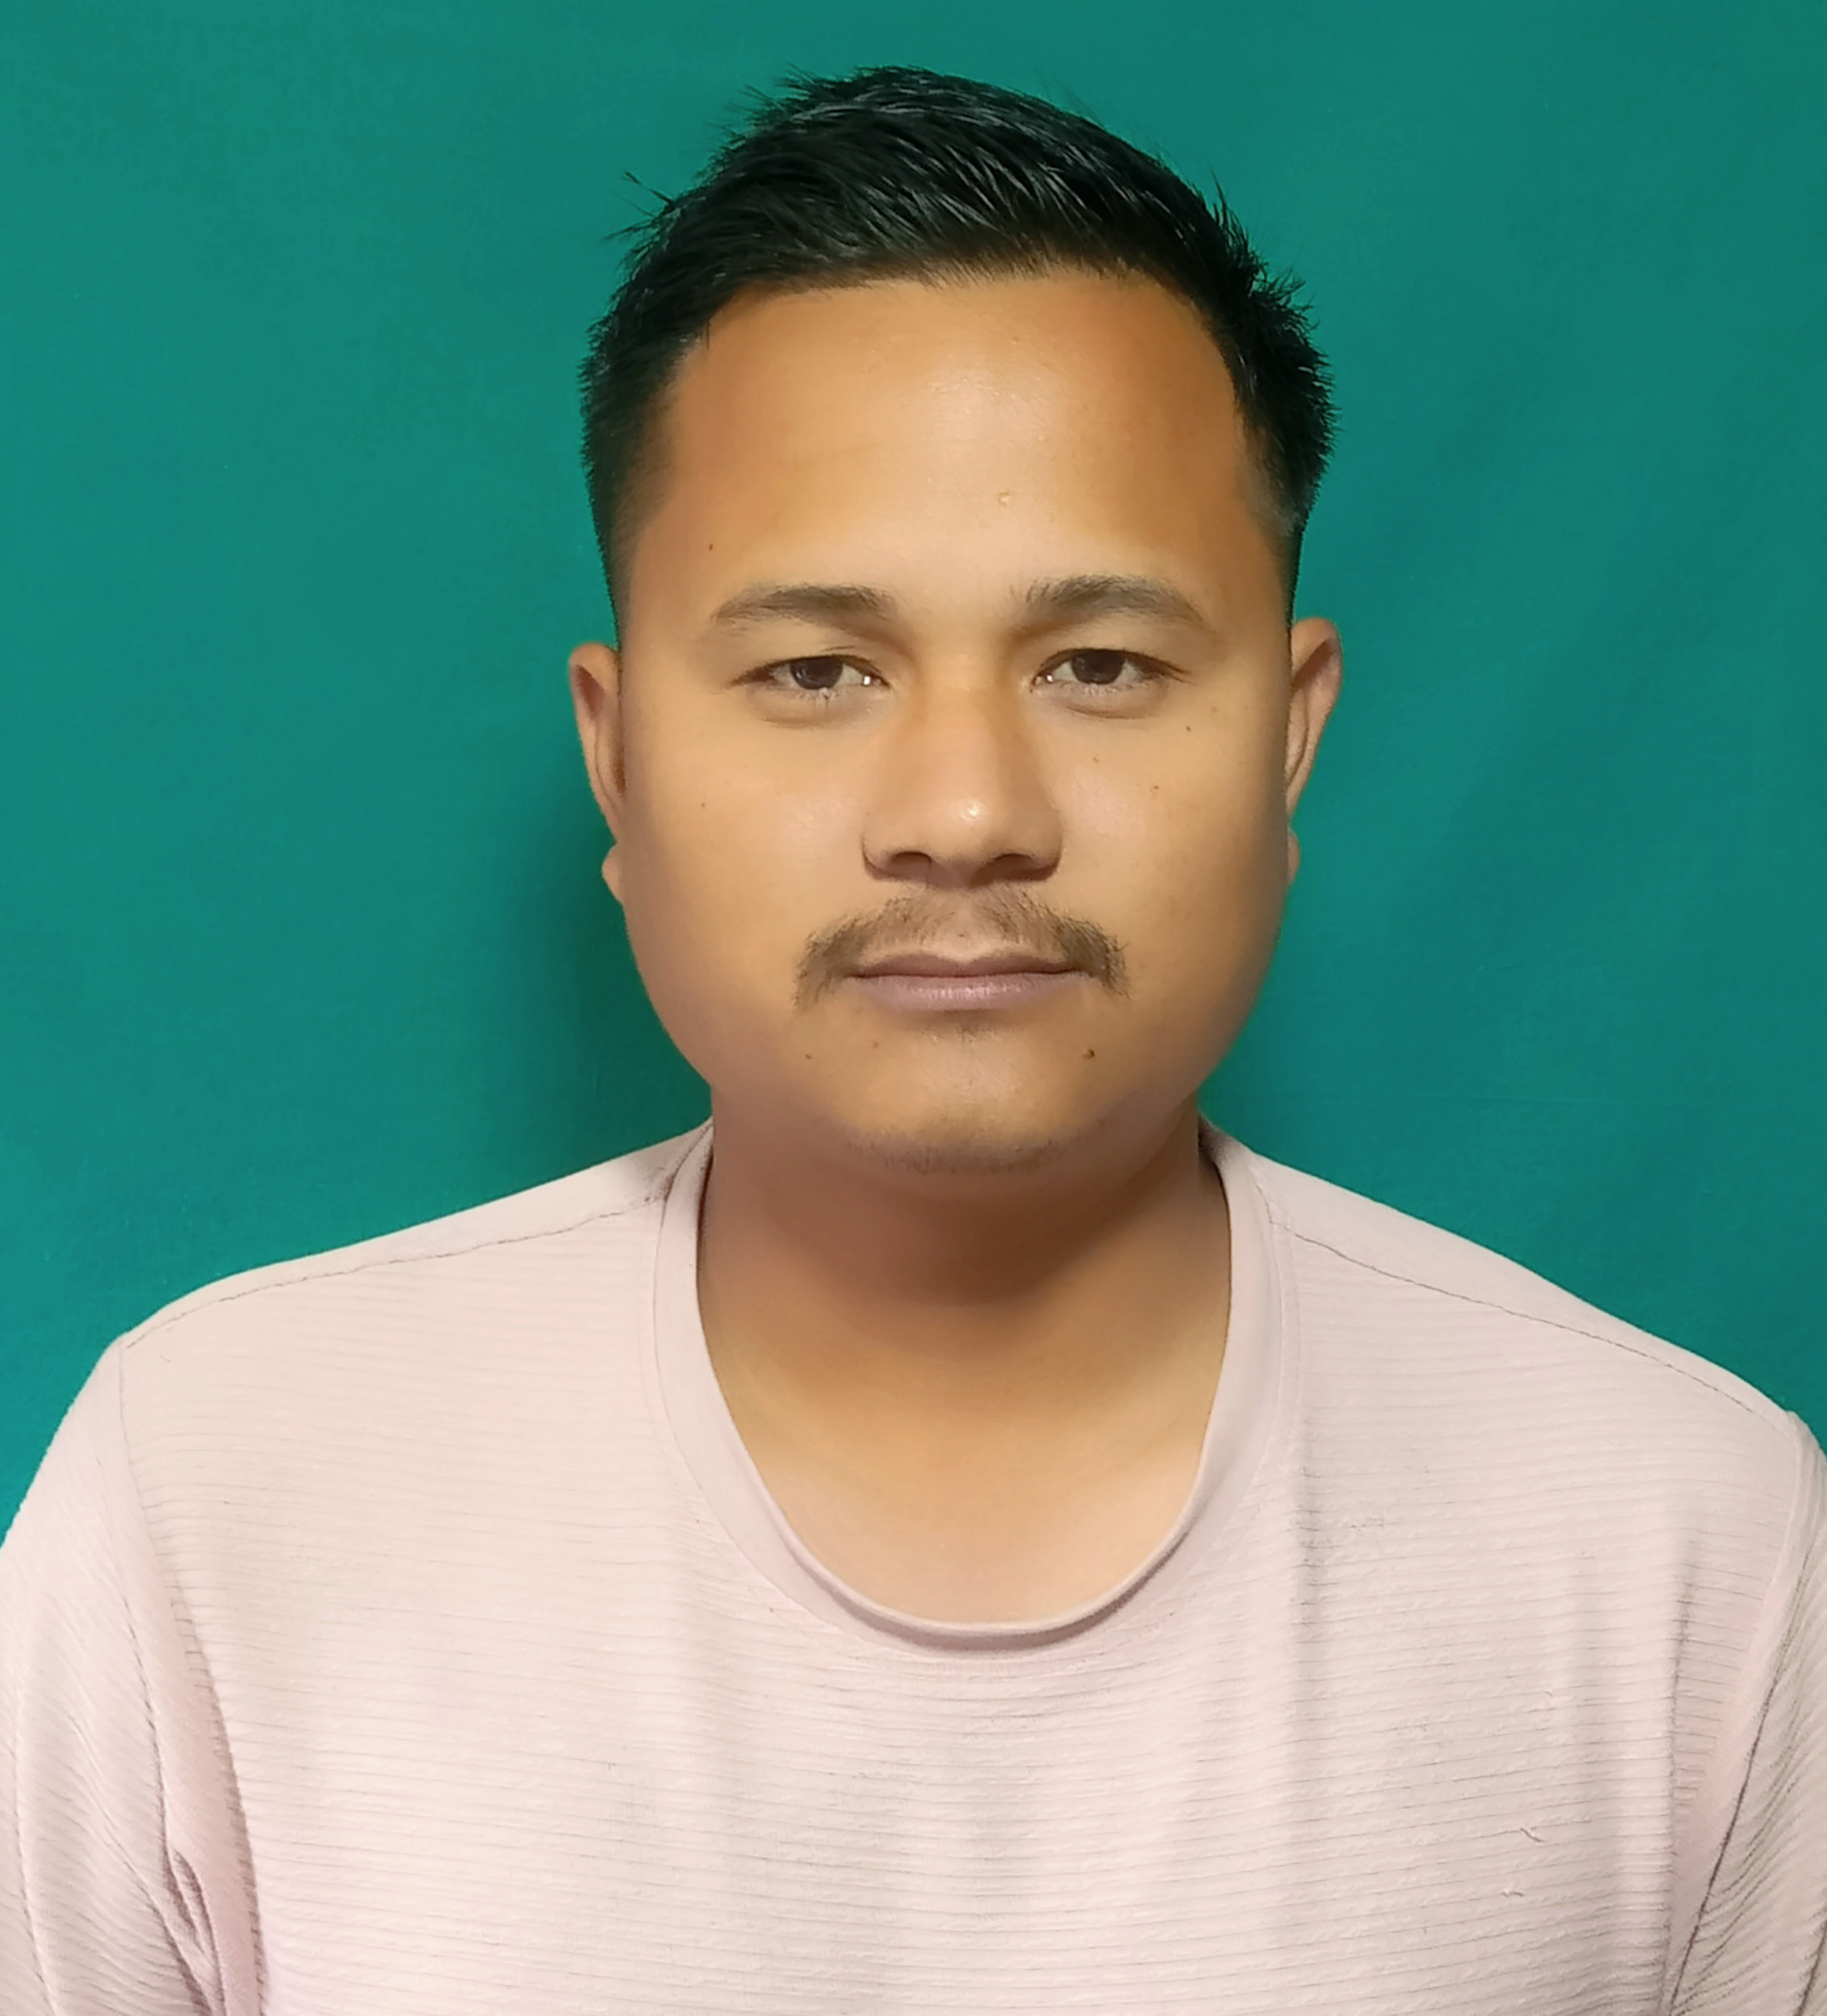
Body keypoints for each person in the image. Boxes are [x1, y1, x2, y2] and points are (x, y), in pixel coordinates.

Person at [1, 63, 1821, 2015]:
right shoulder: (208, 1502)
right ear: (618, 755)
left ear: (1290, 739)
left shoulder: (1687, 1549)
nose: (964, 812)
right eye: (816, 671)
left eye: (1101, 665)